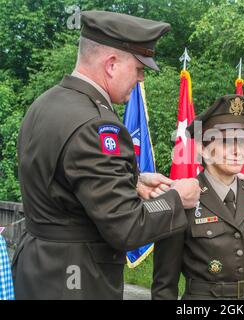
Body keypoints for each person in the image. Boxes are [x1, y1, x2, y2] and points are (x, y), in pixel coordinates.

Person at [12, 10, 200, 300]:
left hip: (39, 267)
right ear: (111, 64)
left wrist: (133, 180)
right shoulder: (97, 125)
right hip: (76, 280)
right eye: (139, 69)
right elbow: (126, 227)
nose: (140, 80)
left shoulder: (46, 103)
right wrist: (177, 199)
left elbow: (63, 180)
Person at [152, 95, 244, 300]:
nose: (238, 151)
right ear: (203, 149)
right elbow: (164, 285)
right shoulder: (183, 198)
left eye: (242, 141)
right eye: (227, 141)